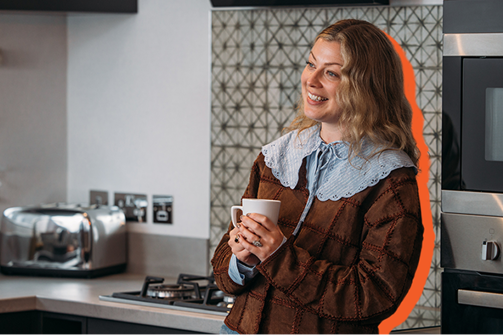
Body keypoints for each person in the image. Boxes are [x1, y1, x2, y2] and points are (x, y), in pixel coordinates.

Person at [211, 19, 424, 335]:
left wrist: (279, 257)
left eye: (332, 73)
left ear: (366, 86)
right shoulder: (277, 156)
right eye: (311, 64)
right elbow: (223, 268)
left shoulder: (390, 180)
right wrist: (242, 260)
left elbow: (375, 296)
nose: (311, 80)